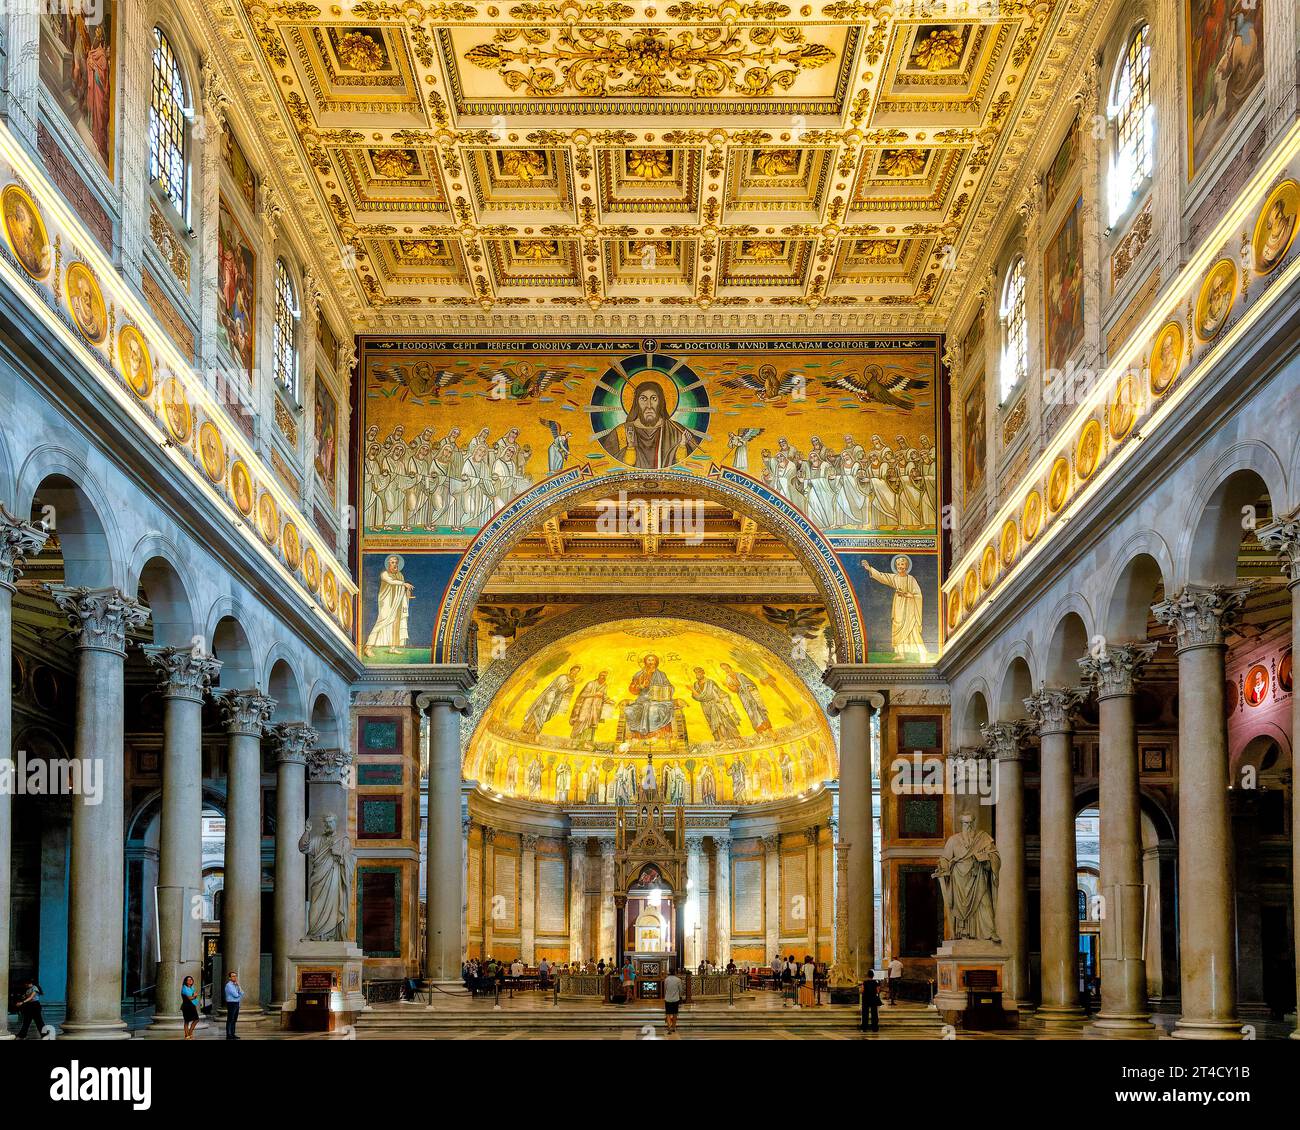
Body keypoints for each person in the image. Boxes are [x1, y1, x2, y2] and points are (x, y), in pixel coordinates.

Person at [663, 967, 685, 1034]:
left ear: (669, 972)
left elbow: (665, 989)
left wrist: (665, 996)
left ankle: (669, 1027)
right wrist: (680, 997)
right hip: (675, 999)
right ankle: (674, 1027)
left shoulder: (666, 979)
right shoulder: (678, 980)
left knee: (668, 1013)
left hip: (668, 999)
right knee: (675, 1013)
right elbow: (681, 990)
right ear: (675, 972)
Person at [223, 971, 243, 1039]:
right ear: (229, 978)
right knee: (230, 1019)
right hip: (231, 1003)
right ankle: (229, 1035)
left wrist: (238, 986)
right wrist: (239, 995)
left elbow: (242, 993)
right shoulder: (229, 985)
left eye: (235, 976)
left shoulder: (236, 985)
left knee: (234, 1019)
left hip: (236, 1003)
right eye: (233, 976)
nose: (235, 977)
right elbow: (236, 995)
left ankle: (233, 1034)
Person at [181, 975, 200, 1039]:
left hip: (192, 1006)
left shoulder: (192, 988)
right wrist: (194, 996)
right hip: (186, 1006)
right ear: (186, 981)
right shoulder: (184, 988)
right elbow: (190, 998)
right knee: (187, 1021)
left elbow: (194, 995)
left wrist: (194, 996)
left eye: (191, 979)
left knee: (196, 1019)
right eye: (188, 980)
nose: (190, 981)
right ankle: (187, 1035)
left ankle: (190, 1032)